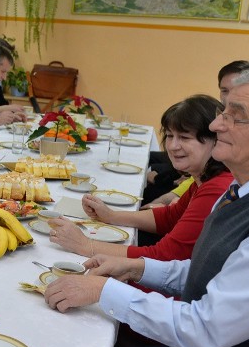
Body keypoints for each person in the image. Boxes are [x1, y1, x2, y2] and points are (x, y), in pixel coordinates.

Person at [44, 70, 249, 347]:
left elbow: (205, 328)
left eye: (234, 117)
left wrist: (104, 291)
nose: (216, 126)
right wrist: (137, 268)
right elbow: (214, 274)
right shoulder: (243, 188)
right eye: (222, 113)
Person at [48, 95, 232, 262]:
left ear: (215, 140)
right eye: (169, 136)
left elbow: (164, 255)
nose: (173, 146)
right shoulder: (205, 179)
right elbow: (170, 217)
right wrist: (111, 215)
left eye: (184, 137)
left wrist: (85, 245)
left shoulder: (216, 188)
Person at [143, 60, 249, 208]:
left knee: (151, 188)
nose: (229, 97)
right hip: (194, 183)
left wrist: (169, 195)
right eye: (224, 90)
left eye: (238, 90)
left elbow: (212, 176)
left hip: (208, 189)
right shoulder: (217, 115)